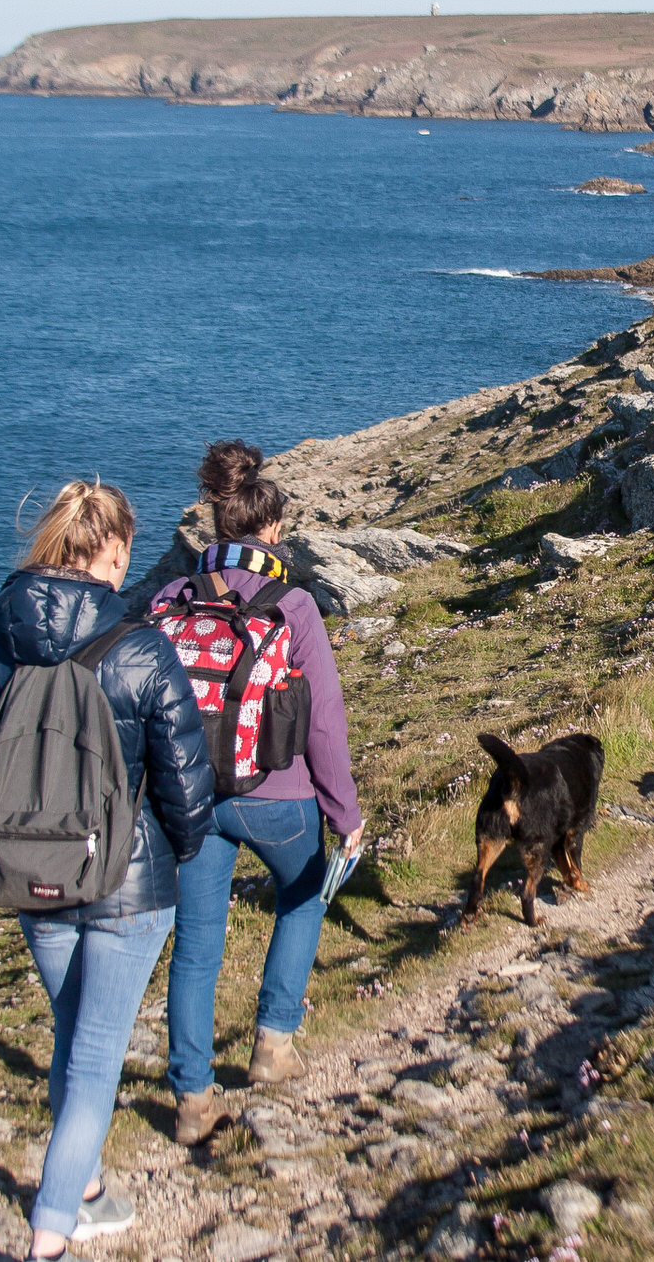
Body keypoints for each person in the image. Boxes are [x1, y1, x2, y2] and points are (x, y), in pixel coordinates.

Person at [0, 480, 214, 1261]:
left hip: (31, 870)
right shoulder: (140, 645)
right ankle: (51, 1232)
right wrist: (176, 849)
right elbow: (185, 781)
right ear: (115, 552)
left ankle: (92, 1189)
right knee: (97, 1055)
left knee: (72, 1036)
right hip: (127, 882)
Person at [164, 440, 364, 1146]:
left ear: (219, 526)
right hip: (276, 793)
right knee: (302, 897)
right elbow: (324, 723)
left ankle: (191, 1095)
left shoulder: (171, 598)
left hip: (190, 797)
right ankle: (272, 1045)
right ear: (273, 531)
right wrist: (347, 815)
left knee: (196, 944)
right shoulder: (295, 604)